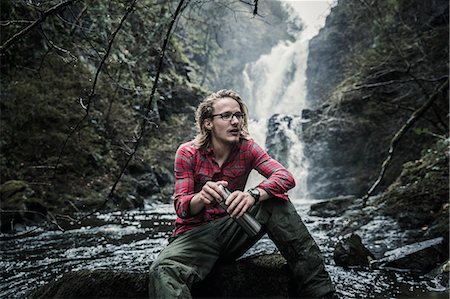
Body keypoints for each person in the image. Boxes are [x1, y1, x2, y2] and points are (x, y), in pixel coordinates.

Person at [149, 89, 335, 298]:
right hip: (194, 237)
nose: (235, 121)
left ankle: (322, 293)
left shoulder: (248, 149)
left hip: (233, 230)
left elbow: (285, 177)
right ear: (208, 123)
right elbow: (181, 207)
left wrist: (253, 194)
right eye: (226, 116)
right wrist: (201, 197)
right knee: (163, 269)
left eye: (238, 115)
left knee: (275, 201)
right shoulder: (188, 152)